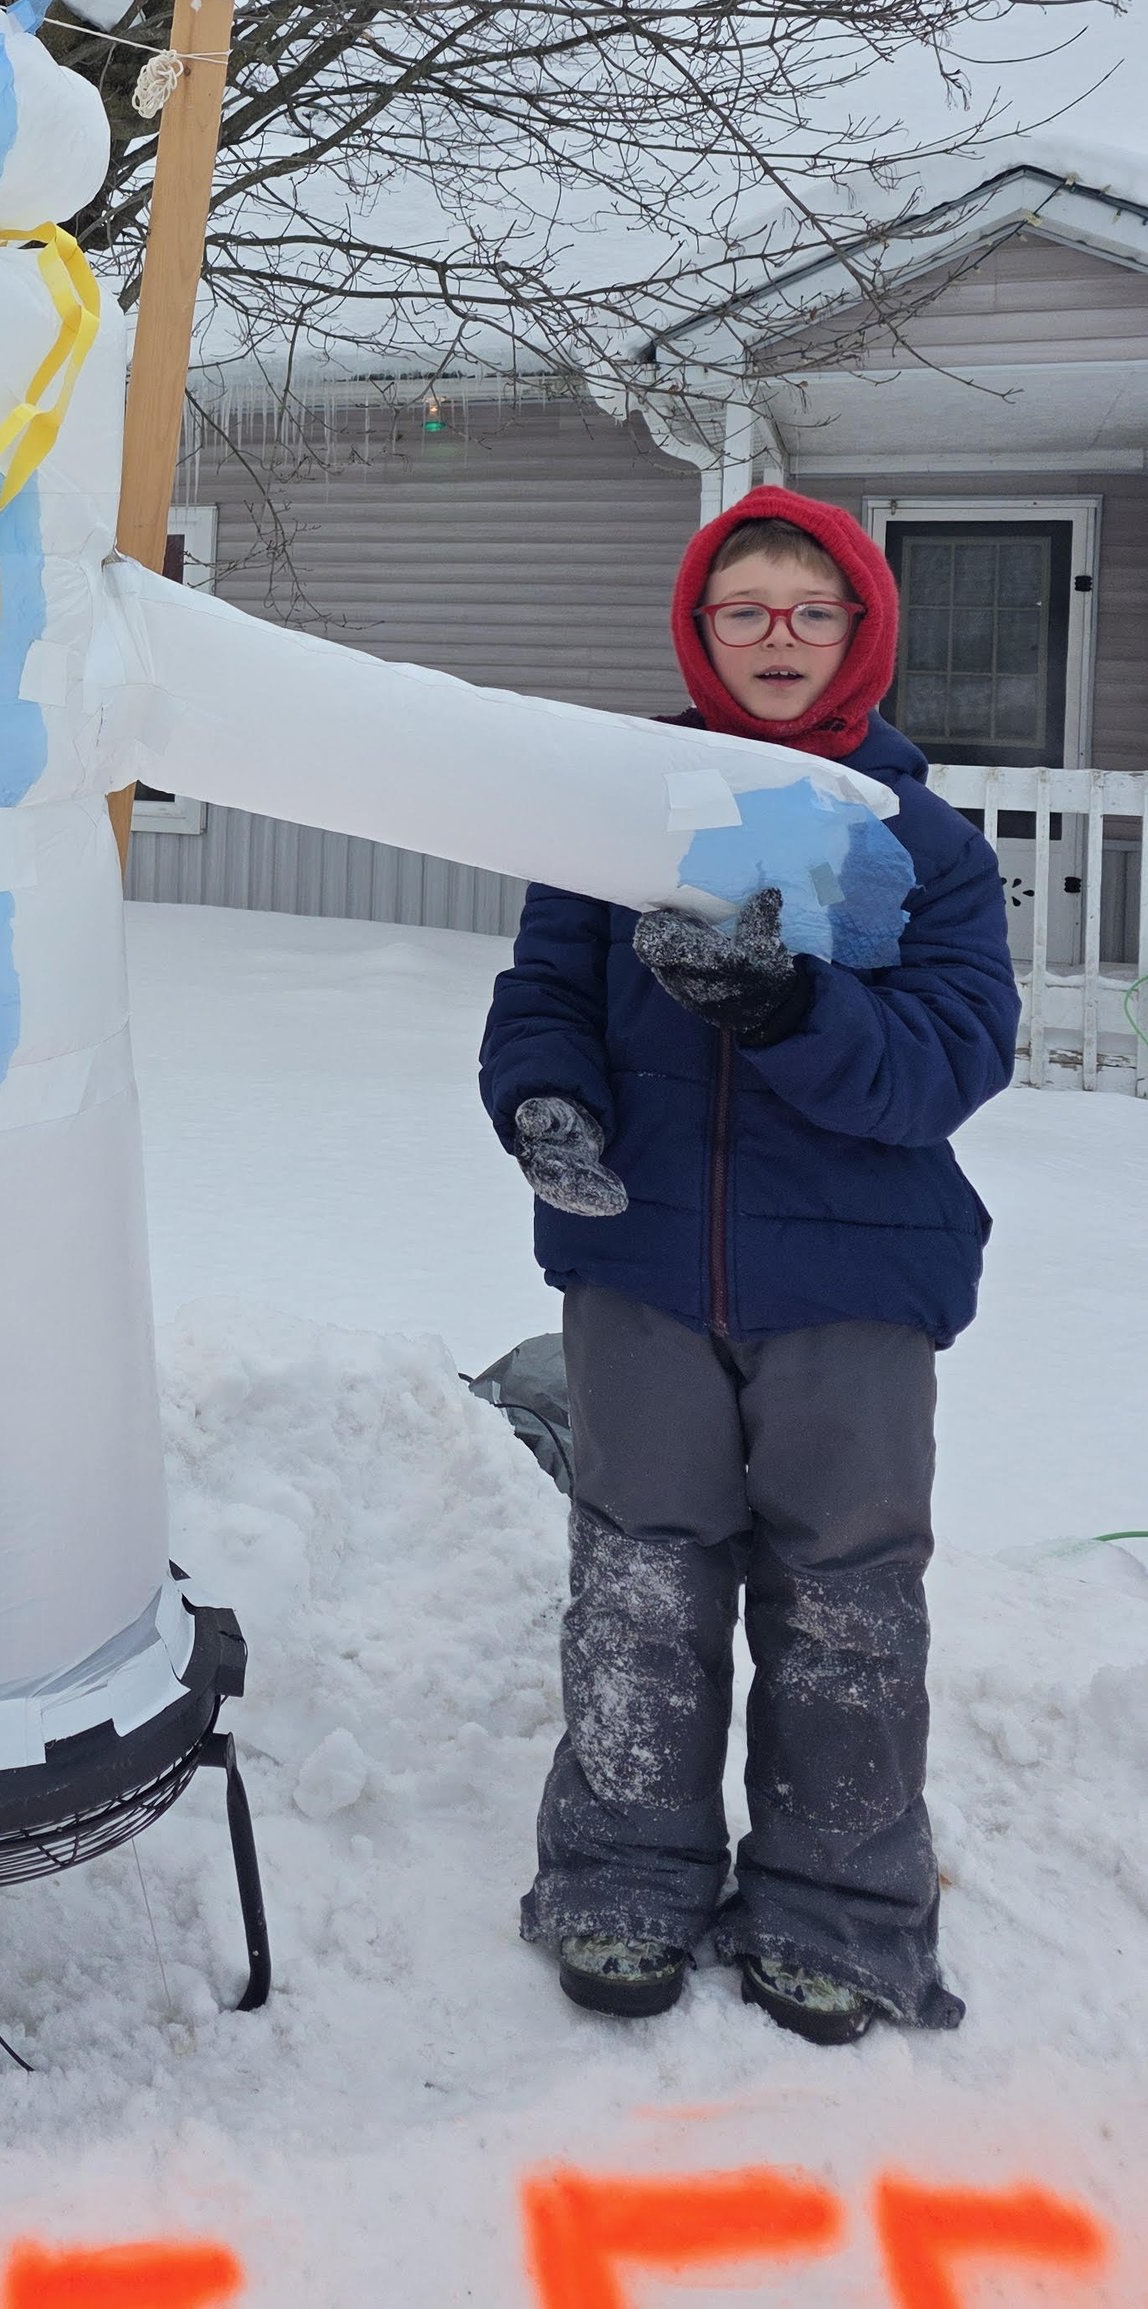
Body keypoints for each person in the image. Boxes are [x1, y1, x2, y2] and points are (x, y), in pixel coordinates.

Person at [478, 487, 1019, 2043]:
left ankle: (839, 1908)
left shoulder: (923, 842)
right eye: (743, 613)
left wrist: (794, 1013)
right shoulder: (620, 814)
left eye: (809, 612)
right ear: (699, 633)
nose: (776, 640)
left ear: (862, 630)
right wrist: (546, 1103)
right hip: (637, 1259)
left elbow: (948, 1064)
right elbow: (542, 994)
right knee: (639, 1578)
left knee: (844, 1600)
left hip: (856, 1287)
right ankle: (623, 1877)